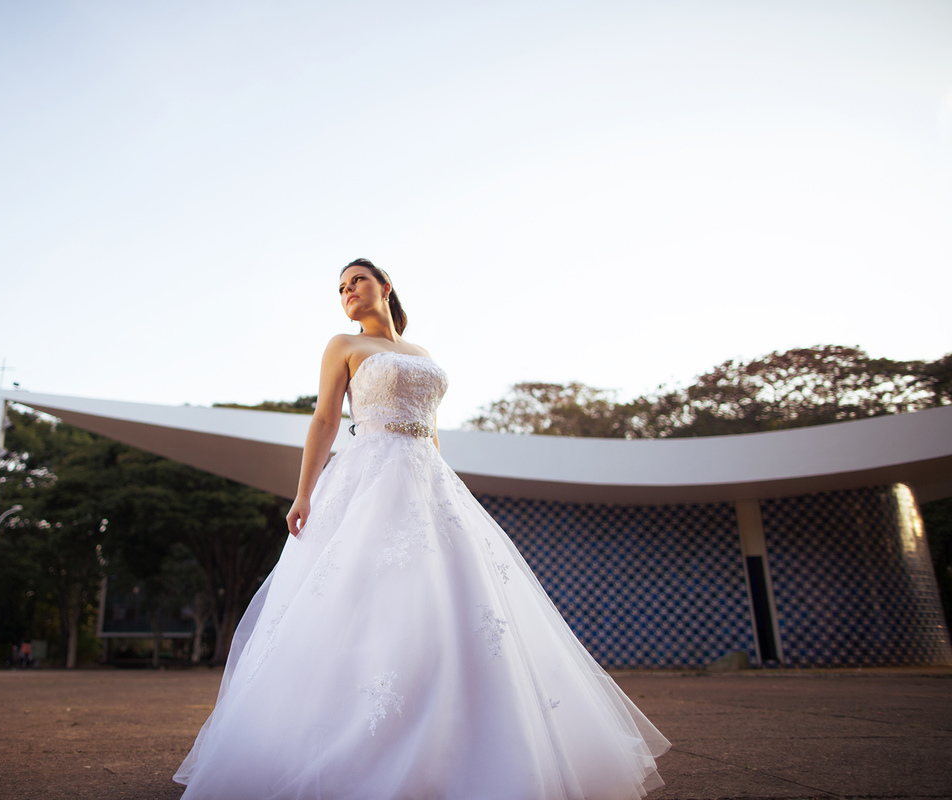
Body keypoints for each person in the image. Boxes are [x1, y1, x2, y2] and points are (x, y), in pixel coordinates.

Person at [174, 259, 670, 799]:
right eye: (341, 288)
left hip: (429, 480)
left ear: (385, 286)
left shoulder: (423, 353)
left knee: (453, 601)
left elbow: (431, 432)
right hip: (369, 476)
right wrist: (304, 493)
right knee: (369, 598)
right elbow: (325, 419)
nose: (348, 291)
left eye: (357, 281)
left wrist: (443, 482)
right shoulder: (343, 345)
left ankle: (465, 738)